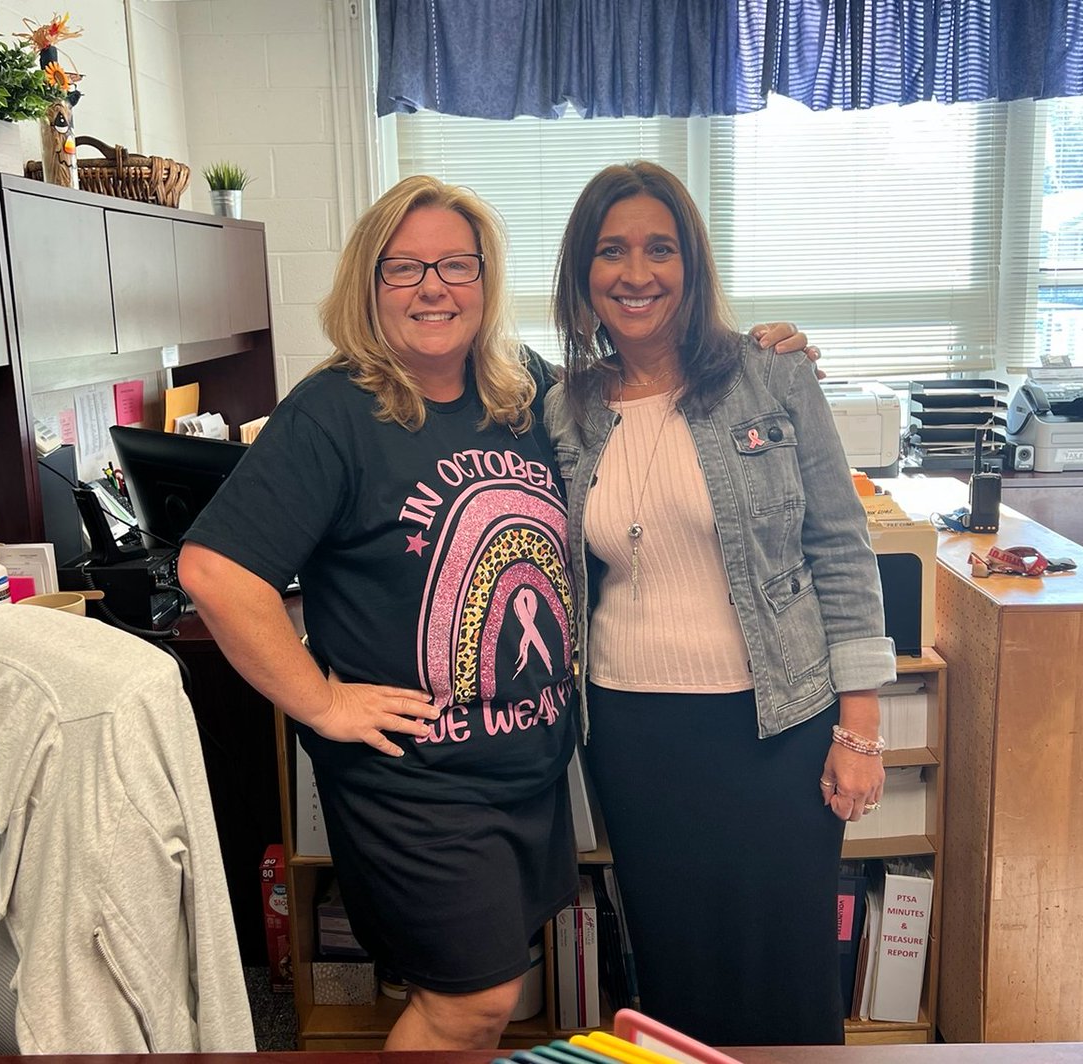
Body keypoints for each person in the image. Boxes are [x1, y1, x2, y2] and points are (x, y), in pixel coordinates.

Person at [178, 172, 809, 1050]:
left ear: (486, 278)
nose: (434, 287)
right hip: (417, 782)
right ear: (370, 284)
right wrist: (322, 701)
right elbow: (215, 570)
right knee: (471, 1004)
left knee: (482, 996)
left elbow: (650, 406)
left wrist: (757, 361)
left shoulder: (530, 394)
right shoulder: (335, 413)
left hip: (530, 770)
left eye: (455, 265)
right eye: (404, 269)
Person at [544, 160, 896, 1047]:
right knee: (670, 970)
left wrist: (859, 732)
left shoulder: (771, 378)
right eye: (611, 251)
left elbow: (842, 549)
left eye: (660, 249)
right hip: (632, 732)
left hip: (775, 724)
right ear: (583, 274)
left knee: (786, 968)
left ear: (691, 266)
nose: (637, 273)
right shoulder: (564, 407)